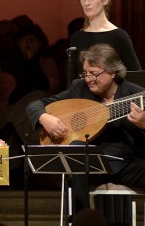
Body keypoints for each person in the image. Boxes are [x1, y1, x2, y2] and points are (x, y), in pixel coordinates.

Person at [26, 44, 145, 208]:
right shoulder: (79, 88)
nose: (88, 79)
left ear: (112, 72)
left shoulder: (135, 95)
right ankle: (80, 222)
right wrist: (44, 117)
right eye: (85, 73)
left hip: (127, 165)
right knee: (76, 148)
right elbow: (35, 105)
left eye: (94, 74)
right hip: (90, 167)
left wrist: (144, 125)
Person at [69, 0, 141, 79]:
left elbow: (137, 78)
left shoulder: (119, 36)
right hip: (82, 95)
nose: (86, 3)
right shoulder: (77, 38)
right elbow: (71, 81)